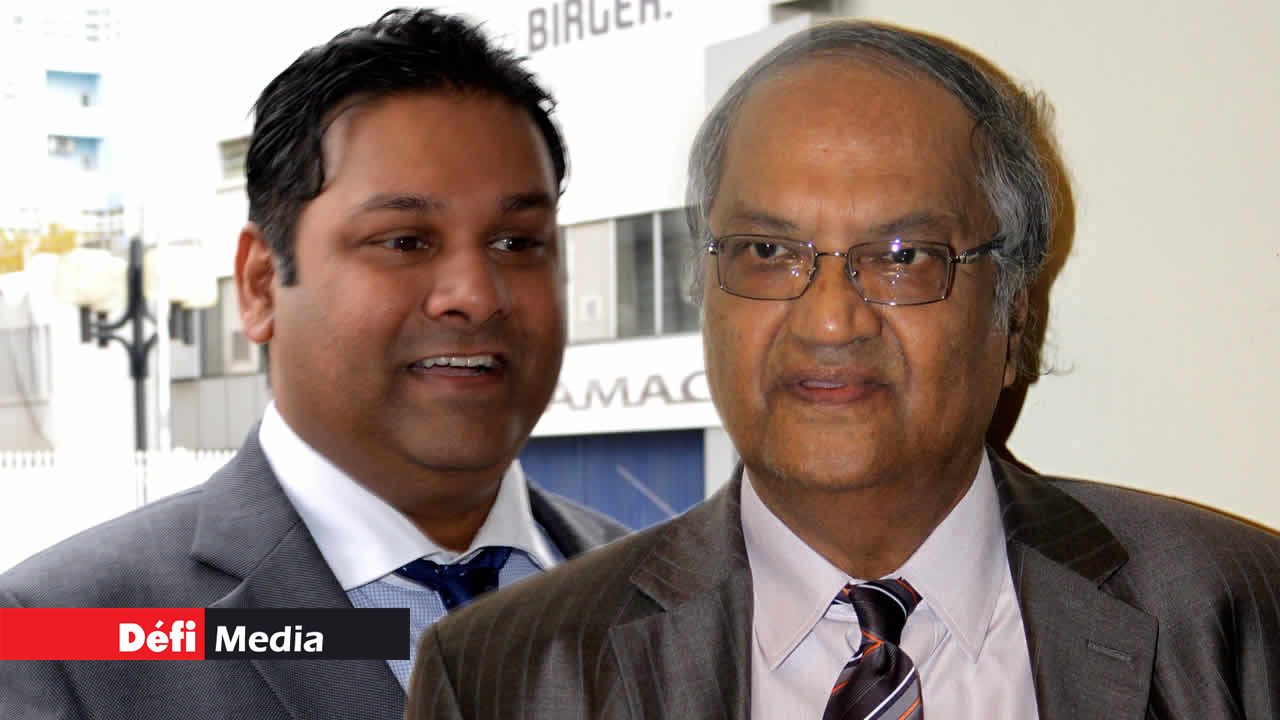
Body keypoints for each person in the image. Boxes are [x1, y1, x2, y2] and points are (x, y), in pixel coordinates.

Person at [407, 18, 1280, 719]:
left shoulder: (1240, 615)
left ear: (1014, 310)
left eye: (904, 257)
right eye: (766, 251)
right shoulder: (501, 677)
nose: (829, 320)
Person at [0, 9, 626, 719]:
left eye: (516, 243)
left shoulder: (685, 600)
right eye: (405, 241)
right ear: (261, 284)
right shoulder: (64, 638)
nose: (476, 296)